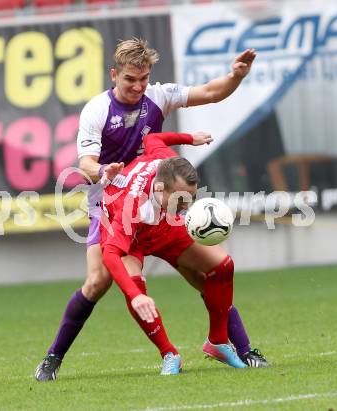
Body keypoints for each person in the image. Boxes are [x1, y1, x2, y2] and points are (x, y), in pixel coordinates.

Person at [35, 38, 267, 382]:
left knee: (207, 276)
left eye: (143, 79)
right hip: (113, 204)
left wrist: (236, 76)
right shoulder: (97, 110)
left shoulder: (158, 96)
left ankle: (240, 348)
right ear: (114, 75)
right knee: (99, 281)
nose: (138, 86)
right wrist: (103, 171)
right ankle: (53, 357)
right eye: (130, 79)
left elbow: (211, 92)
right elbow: (84, 161)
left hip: (160, 201)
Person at [101, 131, 247, 374]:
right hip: (131, 235)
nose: (185, 207)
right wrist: (135, 296)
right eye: (179, 200)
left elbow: (152, 139)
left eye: (189, 199)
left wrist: (190, 138)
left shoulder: (167, 163)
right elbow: (110, 255)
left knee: (223, 266)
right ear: (159, 189)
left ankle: (218, 341)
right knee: (134, 288)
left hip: (162, 225)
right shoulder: (132, 205)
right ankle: (169, 353)